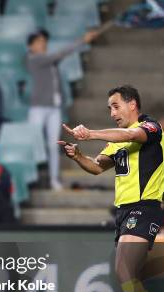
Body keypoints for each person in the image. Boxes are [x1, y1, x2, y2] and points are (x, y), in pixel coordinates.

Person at [59, 85, 164, 292]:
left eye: (116, 106)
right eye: (109, 108)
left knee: (125, 268)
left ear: (133, 104)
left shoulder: (150, 128)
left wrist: (90, 133)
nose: (112, 112)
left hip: (145, 207)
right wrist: (77, 155)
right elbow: (97, 167)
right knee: (125, 272)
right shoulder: (116, 140)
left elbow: (132, 135)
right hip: (124, 212)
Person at [27, 28, 100, 190]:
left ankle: (54, 180)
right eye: (38, 42)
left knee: (54, 145)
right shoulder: (34, 59)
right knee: (33, 143)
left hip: (54, 108)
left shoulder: (49, 61)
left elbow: (59, 59)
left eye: (44, 41)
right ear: (30, 46)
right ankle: (32, 180)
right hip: (38, 108)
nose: (43, 44)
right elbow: (60, 54)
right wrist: (82, 40)